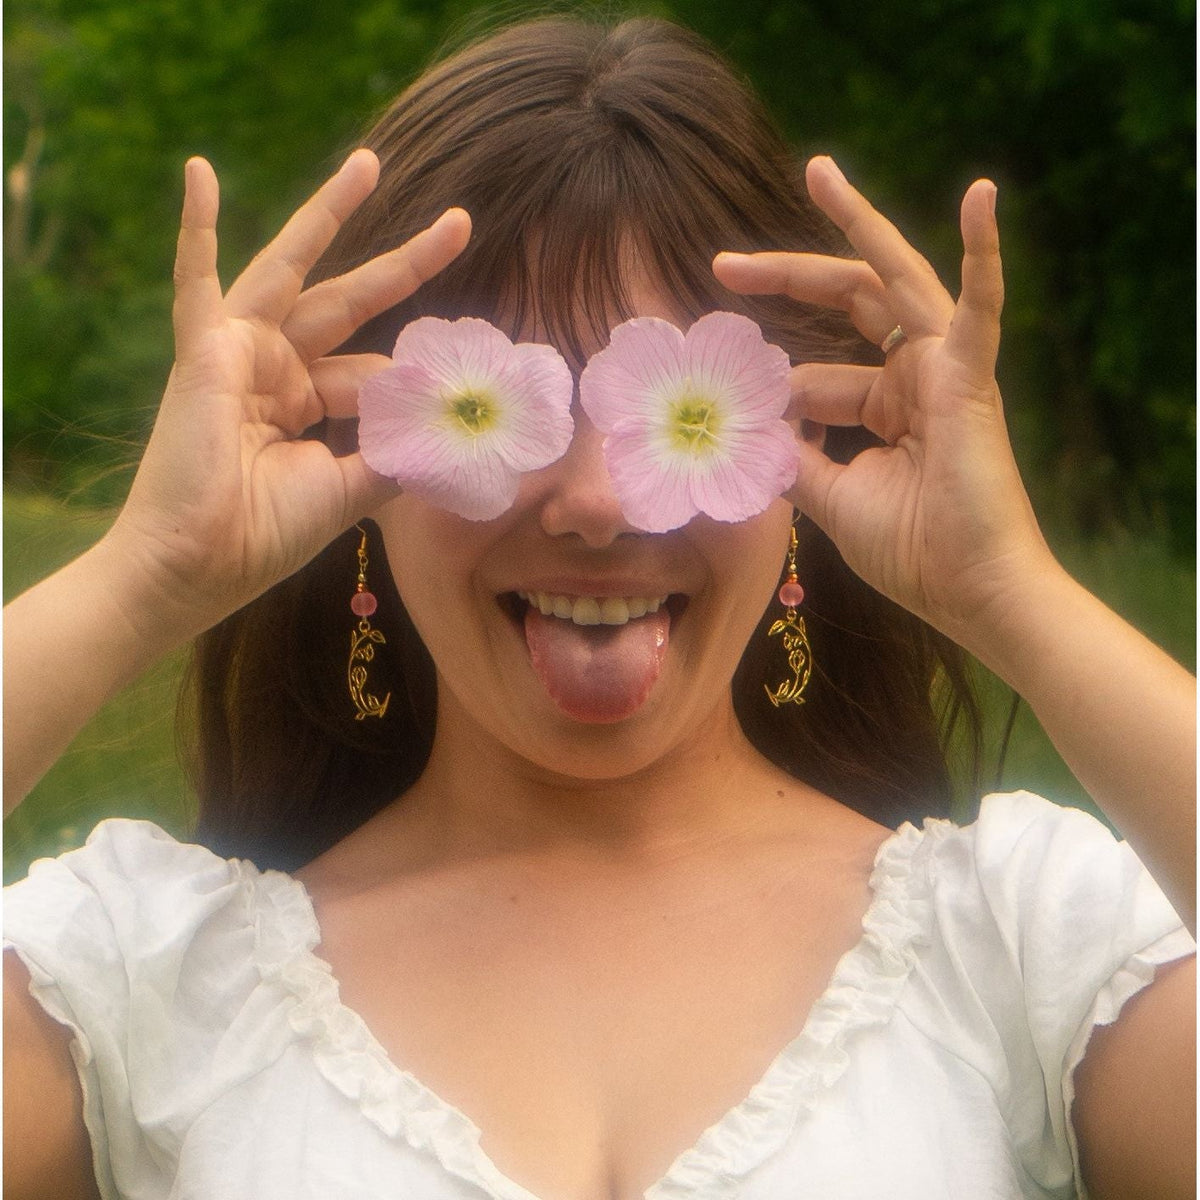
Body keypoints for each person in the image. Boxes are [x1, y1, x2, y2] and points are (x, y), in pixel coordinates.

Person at [3, 15, 1195, 1200]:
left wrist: (1010, 596)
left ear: (798, 453)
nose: (596, 503)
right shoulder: (155, 983)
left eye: (676, 412)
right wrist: (148, 573)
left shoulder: (1019, 944)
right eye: (494, 409)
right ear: (358, 449)